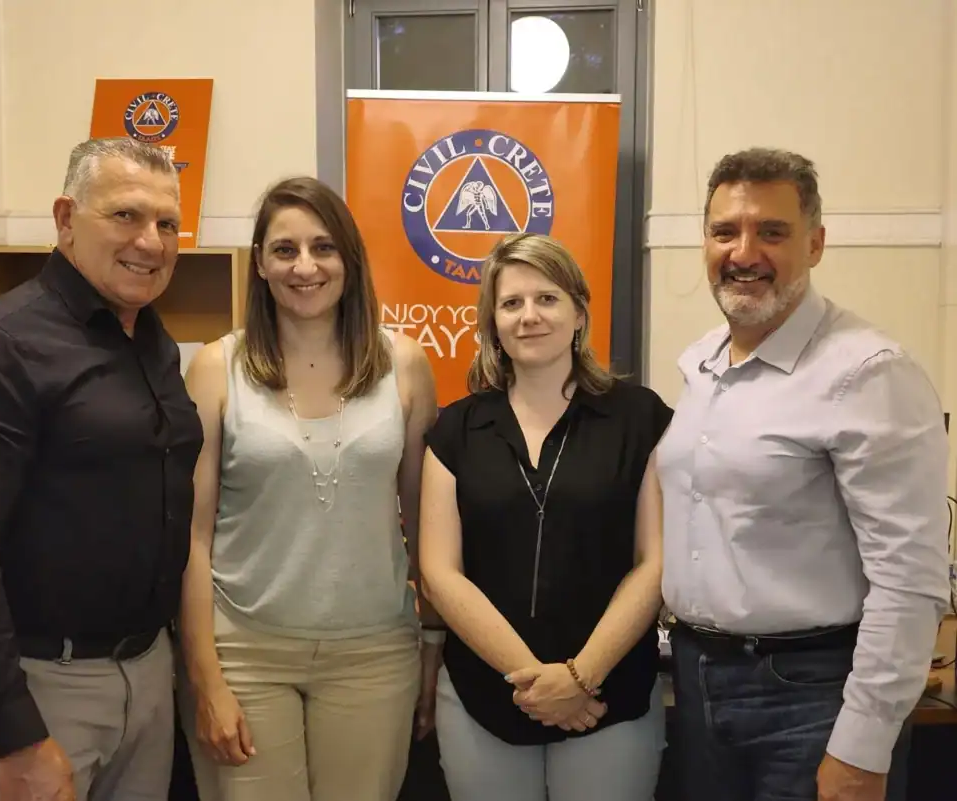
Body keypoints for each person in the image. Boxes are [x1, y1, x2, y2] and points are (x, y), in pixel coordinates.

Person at [0, 137, 204, 801]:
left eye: (167, 224)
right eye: (125, 215)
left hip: (145, 673)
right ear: (66, 218)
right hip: (41, 684)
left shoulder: (150, 338)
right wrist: (16, 735)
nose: (151, 242)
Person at [656, 147, 951, 801]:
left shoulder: (867, 373)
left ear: (815, 244)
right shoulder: (701, 365)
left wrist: (862, 747)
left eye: (772, 231)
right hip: (699, 684)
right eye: (725, 231)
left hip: (813, 697)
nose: (744, 252)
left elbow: (910, 581)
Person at [176, 175, 441, 801]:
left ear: (350, 259)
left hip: (374, 652)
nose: (305, 266)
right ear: (260, 264)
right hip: (244, 653)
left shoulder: (405, 365)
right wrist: (205, 678)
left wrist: (433, 645)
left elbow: (425, 527)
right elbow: (191, 537)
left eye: (323, 247)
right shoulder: (216, 368)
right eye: (284, 249)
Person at [417, 232, 671, 801]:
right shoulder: (455, 429)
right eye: (511, 303)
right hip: (486, 696)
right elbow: (439, 573)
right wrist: (538, 684)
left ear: (579, 312)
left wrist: (580, 679)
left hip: (609, 697)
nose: (529, 316)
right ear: (493, 322)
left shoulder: (641, 419)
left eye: (547, 299)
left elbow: (654, 562)